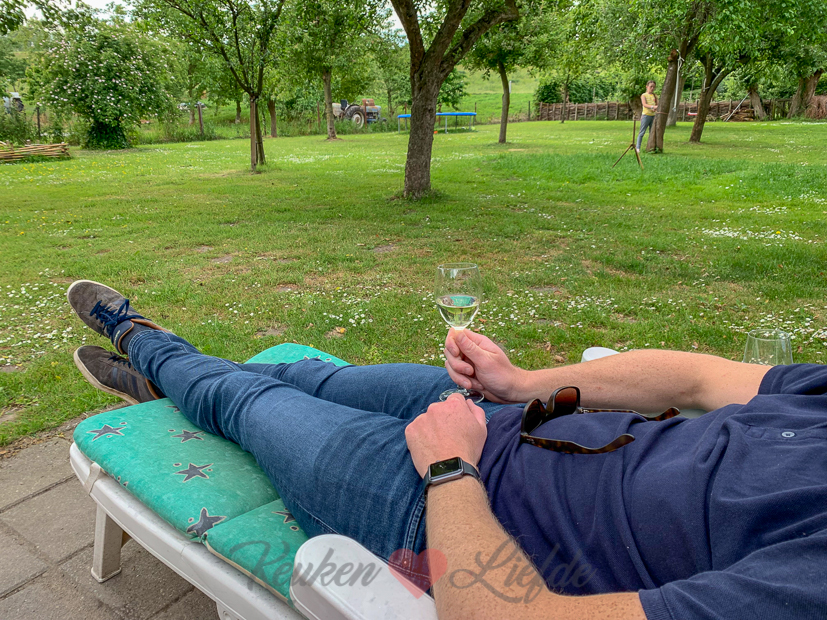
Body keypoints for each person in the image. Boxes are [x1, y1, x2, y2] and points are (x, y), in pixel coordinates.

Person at [67, 280, 827, 620]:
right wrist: (519, 382)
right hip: (511, 416)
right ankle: (178, 386)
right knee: (309, 376)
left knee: (247, 401)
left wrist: (448, 468)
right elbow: (697, 377)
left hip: (446, 512)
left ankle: (143, 339)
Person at [636, 81, 658, 153]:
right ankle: (638, 147)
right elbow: (644, 104)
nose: (652, 88)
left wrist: (655, 108)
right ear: (647, 86)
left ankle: (651, 147)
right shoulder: (644, 95)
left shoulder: (654, 96)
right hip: (646, 115)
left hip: (653, 116)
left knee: (652, 132)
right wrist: (652, 107)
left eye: (653, 87)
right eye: (651, 86)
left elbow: (657, 104)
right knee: (642, 132)